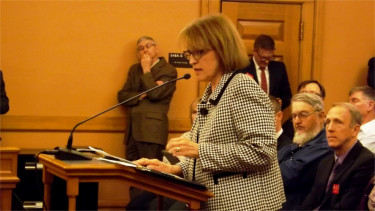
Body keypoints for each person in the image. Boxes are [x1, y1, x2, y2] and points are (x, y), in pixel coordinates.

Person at [135, 14, 285, 210]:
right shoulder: (211, 91)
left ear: (222, 48)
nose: (192, 61)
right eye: (190, 53)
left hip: (246, 205)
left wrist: (199, 150)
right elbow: (208, 153)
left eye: (198, 52)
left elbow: (262, 150)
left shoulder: (242, 87)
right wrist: (175, 168)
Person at [301, 102, 375, 210]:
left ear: (355, 130)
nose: (330, 128)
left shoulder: (366, 161)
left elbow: (345, 207)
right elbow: (311, 200)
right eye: (327, 122)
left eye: (338, 122)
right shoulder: (325, 162)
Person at [118, 36, 177, 161]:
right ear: (138, 54)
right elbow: (122, 96)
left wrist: (146, 69)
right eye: (141, 48)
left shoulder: (169, 70)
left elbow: (155, 94)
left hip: (152, 132)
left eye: (148, 46)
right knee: (130, 173)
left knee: (150, 173)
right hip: (132, 133)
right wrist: (142, 94)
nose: (145, 50)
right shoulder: (134, 69)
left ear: (157, 49)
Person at [278, 92, 332, 210]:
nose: (297, 121)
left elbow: (286, 175)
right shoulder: (299, 142)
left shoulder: (326, 146)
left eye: (303, 114)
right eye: (294, 116)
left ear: (321, 116)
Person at [240, 34, 292, 110]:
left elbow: (288, 96)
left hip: (273, 116)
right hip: (248, 115)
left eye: (270, 57)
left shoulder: (279, 68)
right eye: (263, 58)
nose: (267, 62)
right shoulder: (242, 68)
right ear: (254, 51)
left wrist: (281, 102)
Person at [349, 86, 375, 153]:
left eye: (354, 101)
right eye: (349, 101)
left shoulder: (373, 134)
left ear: (370, 105)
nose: (349, 104)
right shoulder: (349, 129)